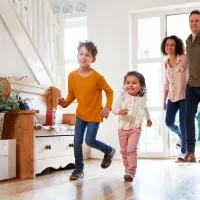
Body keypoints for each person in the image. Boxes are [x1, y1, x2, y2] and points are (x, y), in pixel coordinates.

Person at [58, 41, 115, 180]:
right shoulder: (72, 75)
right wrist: (65, 103)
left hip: (95, 114)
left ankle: (109, 151)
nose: (83, 57)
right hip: (81, 114)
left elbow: (109, 91)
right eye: (81, 53)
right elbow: (71, 94)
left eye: (87, 55)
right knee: (77, 141)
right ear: (77, 55)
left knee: (90, 140)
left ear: (93, 59)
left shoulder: (97, 77)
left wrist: (108, 107)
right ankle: (79, 169)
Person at [112, 71, 152, 182]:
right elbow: (114, 110)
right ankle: (127, 169)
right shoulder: (122, 97)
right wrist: (120, 111)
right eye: (127, 82)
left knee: (131, 149)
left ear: (141, 85)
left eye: (134, 83)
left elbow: (144, 108)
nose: (130, 85)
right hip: (122, 128)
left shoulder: (142, 97)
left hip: (135, 128)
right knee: (124, 151)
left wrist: (148, 119)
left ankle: (131, 171)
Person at [161, 35, 188, 158]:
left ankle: (184, 151)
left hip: (184, 96)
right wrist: (164, 100)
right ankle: (182, 136)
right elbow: (166, 82)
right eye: (167, 45)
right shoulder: (166, 63)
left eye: (172, 44)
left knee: (184, 123)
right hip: (171, 97)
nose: (169, 47)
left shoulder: (184, 58)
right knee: (169, 122)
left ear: (177, 46)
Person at [179, 10, 200, 162]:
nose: (194, 23)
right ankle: (191, 153)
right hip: (191, 84)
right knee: (188, 118)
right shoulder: (188, 41)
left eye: (197, 21)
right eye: (192, 21)